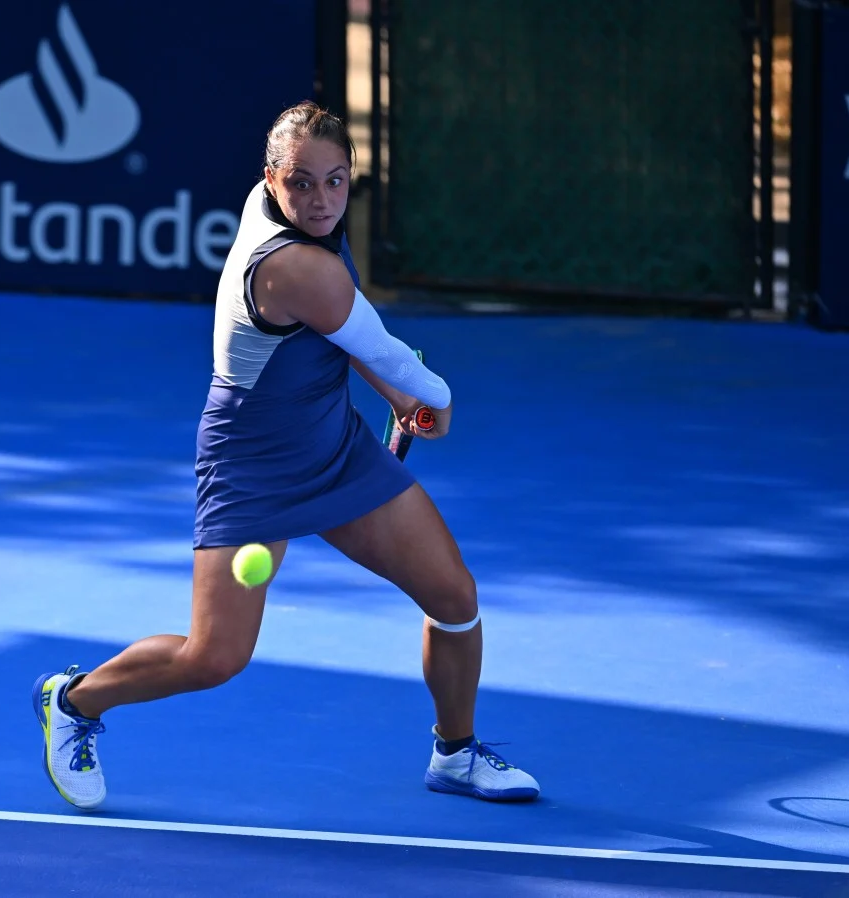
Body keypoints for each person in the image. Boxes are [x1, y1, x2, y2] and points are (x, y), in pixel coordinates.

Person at [32, 101, 540, 810]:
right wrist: (431, 396)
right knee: (214, 657)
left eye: (335, 181)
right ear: (271, 179)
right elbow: (385, 350)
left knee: (454, 597)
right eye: (301, 182)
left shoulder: (294, 220)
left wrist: (394, 399)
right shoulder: (292, 263)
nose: (321, 200)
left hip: (333, 445)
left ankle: (455, 753)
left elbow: (346, 332)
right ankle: (74, 700)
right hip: (253, 466)